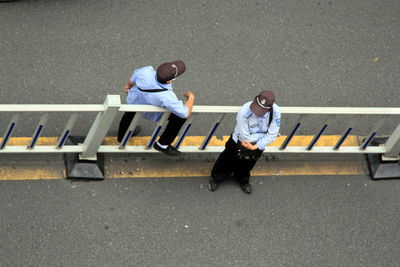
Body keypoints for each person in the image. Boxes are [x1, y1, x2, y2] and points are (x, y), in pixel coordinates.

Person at [209, 90, 281, 194]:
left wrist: (256, 146)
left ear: (269, 109)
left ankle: (243, 180)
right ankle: (216, 178)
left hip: (257, 146)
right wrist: (264, 135)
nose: (256, 112)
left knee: (248, 164)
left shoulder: (276, 111)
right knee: (226, 161)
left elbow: (273, 134)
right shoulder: (244, 112)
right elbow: (245, 137)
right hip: (238, 142)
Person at [119, 60, 195, 156]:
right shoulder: (167, 96)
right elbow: (185, 113)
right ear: (169, 81)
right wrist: (191, 97)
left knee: (129, 115)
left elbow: (133, 78)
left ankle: (122, 137)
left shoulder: (146, 71)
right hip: (152, 109)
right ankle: (162, 144)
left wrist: (128, 86)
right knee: (179, 118)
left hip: (135, 100)